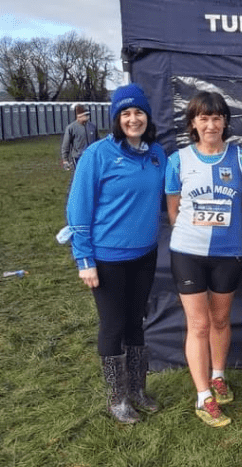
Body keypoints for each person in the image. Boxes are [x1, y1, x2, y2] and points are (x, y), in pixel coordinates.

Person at [65, 83, 166, 424]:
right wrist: (84, 260)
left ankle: (137, 390)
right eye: (125, 113)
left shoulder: (157, 154)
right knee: (113, 325)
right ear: (116, 119)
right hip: (107, 257)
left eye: (138, 112)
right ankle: (117, 399)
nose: (133, 119)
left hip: (145, 254)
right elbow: (78, 208)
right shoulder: (97, 155)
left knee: (137, 323)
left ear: (146, 116)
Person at [165, 92, 242, 427]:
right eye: (204, 118)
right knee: (199, 324)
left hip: (227, 254)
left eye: (217, 118)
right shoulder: (179, 161)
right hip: (188, 253)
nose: (211, 124)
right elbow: (174, 211)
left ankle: (218, 376)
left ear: (225, 122)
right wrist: (193, 235)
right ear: (193, 123)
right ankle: (203, 396)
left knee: (220, 321)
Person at [61, 104, 98, 170]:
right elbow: (66, 145)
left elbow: (97, 141)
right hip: (78, 157)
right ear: (79, 117)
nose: (87, 117)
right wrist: (65, 160)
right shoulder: (71, 128)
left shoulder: (92, 126)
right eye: (85, 115)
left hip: (92, 156)